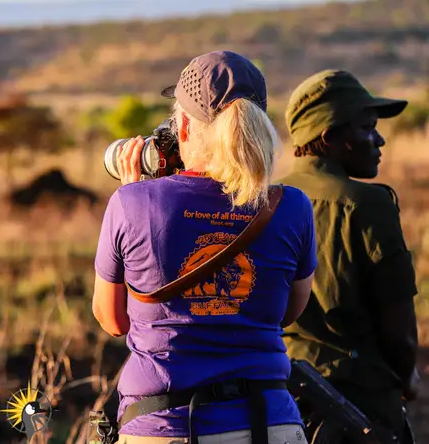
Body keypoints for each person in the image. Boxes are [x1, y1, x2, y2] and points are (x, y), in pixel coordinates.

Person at [91, 50, 317, 443]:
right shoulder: (291, 205)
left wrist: (136, 196)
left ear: (182, 128)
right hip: (270, 420)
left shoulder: (132, 204)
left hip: (166, 423)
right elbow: (288, 312)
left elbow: (112, 320)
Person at [277, 69, 420, 441]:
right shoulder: (368, 204)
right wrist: (408, 377)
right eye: (367, 128)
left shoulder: (264, 201)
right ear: (329, 139)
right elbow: (400, 336)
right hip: (361, 407)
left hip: (281, 400)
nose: (379, 140)